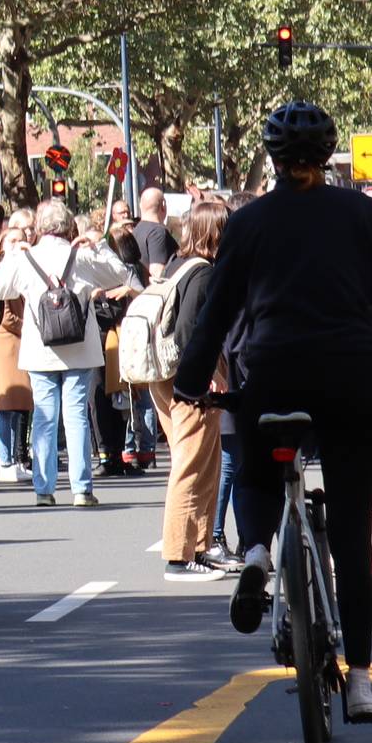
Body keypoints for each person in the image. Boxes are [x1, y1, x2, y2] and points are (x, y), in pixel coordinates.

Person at [173, 102, 372, 725]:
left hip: (274, 372)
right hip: (352, 376)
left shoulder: (248, 223)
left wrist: (191, 382)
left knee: (254, 472)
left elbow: (216, 312)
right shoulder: (361, 213)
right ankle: (359, 682)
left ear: (273, 159)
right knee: (354, 534)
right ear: (327, 157)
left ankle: (253, 552)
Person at [0, 200, 135, 507]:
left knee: (45, 415)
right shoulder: (80, 256)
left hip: (40, 348)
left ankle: (44, 488)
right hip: (79, 348)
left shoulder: (26, 258)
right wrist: (99, 247)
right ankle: (81, 489)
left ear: (39, 228)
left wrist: (13, 253)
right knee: (76, 414)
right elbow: (120, 274)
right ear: (69, 227)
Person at [149, 202, 234, 582]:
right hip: (188, 380)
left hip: (168, 377)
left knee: (203, 462)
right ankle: (179, 555)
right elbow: (187, 333)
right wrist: (210, 372)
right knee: (190, 465)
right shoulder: (202, 273)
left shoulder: (176, 265)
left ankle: (198, 548)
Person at [0, 210, 37, 482]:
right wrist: (26, 324)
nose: (18, 244)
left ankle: (14, 459)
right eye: (11, 240)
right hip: (4, 342)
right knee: (5, 403)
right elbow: (5, 313)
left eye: (21, 238)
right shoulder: (0, 271)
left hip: (16, 341)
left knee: (17, 406)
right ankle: (5, 461)